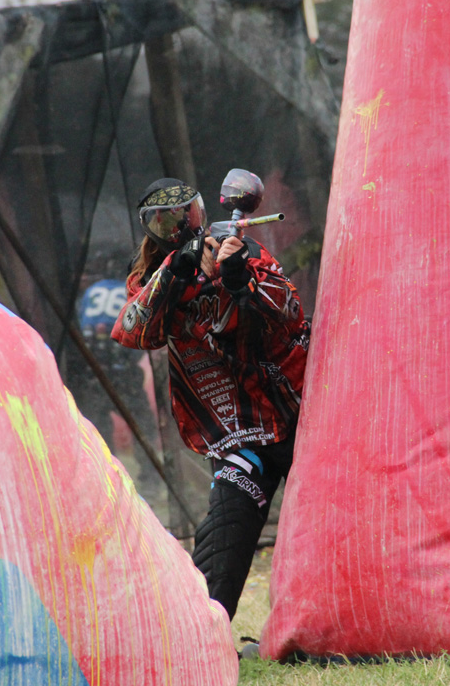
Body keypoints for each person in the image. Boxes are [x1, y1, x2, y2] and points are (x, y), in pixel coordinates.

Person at [112, 178, 309, 620]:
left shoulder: (241, 249)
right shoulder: (150, 277)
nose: (181, 226)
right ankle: (206, 640)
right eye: (166, 221)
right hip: (239, 435)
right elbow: (133, 332)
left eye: (188, 213)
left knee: (334, 524)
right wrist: (175, 273)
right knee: (222, 546)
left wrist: (241, 280)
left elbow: (292, 313)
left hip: (301, 415)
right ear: (152, 230)